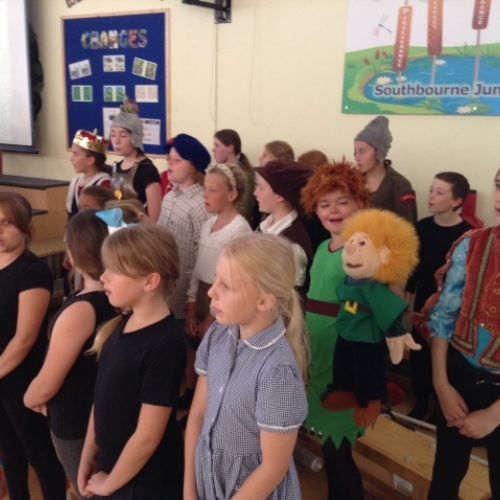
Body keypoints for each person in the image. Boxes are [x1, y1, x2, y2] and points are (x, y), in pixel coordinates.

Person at [184, 233, 308, 500]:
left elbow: (273, 469)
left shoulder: (277, 373)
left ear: (263, 301)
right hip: (209, 481)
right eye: (216, 278)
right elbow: (197, 414)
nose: (211, 291)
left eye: (226, 286)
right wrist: (189, 491)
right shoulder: (217, 335)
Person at [77, 225, 187, 499]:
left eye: (114, 270)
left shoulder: (165, 343)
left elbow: (147, 436)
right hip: (112, 466)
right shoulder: (121, 325)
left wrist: (109, 484)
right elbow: (102, 398)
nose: (103, 277)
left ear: (150, 282)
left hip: (145, 483)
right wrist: (87, 455)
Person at [416, 169, 500, 500]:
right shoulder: (473, 243)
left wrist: (493, 415)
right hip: (460, 380)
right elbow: (443, 318)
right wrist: (442, 385)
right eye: (499, 186)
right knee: (445, 477)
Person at [24, 210, 116, 495]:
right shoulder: (115, 297)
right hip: (97, 412)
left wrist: (31, 398)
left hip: (76, 420)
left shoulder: (82, 310)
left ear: (75, 254)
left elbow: (48, 382)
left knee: (86, 487)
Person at [301, 161, 371, 500]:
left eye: (342, 202)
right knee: (330, 449)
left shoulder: (362, 250)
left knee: (338, 449)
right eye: (324, 204)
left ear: (360, 203)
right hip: (319, 356)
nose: (333, 210)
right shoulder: (321, 248)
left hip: (343, 362)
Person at [0, 192, 67, 500]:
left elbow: (24, 339)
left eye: (7, 224)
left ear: (25, 228)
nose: (0, 231)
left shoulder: (32, 271)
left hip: (21, 377)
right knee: (8, 449)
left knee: (37, 451)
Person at [183, 164, 252, 408]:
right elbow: (198, 266)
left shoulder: (239, 230)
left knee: (215, 355)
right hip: (203, 295)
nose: (206, 195)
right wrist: (192, 304)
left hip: (223, 300)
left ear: (231, 194)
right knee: (194, 348)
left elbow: (234, 280)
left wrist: (211, 317)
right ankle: (191, 395)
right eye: (205, 188)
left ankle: (210, 404)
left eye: (213, 190)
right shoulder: (207, 224)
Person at [406, 172, 472, 420]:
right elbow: (414, 268)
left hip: (451, 308)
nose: (431, 196)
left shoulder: (469, 235)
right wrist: (407, 298)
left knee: (444, 357)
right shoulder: (422, 227)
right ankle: (421, 401)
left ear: (456, 201)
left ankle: (439, 405)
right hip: (423, 302)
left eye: (439, 192)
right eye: (431, 190)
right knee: (420, 355)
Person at [158, 133, 210, 324]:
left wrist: (192, 300)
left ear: (193, 167)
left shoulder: (200, 205)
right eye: (168, 159)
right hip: (164, 283)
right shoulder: (169, 196)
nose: (170, 164)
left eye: (177, 160)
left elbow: (201, 256)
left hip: (183, 291)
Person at [254, 159, 313, 290]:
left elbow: (291, 293)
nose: (255, 193)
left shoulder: (292, 243)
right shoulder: (265, 225)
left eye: (261, 188)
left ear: (280, 196)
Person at [354, 116, 417, 224]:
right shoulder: (351, 181)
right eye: (355, 151)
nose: (356, 157)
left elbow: (408, 228)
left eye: (362, 151)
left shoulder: (399, 186)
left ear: (379, 152)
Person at [109, 98, 162, 221]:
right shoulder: (116, 167)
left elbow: (154, 219)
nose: (116, 141)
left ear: (136, 138)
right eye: (113, 135)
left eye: (123, 135)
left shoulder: (147, 171)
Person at [213, 129, 257, 226]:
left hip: (236, 226)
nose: (213, 150)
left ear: (230, 148)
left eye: (217, 145)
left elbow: (245, 209)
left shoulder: (244, 175)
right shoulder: (221, 172)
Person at [66, 129, 111, 218]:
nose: (71, 159)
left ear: (90, 160)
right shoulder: (75, 183)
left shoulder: (104, 183)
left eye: (75, 154)